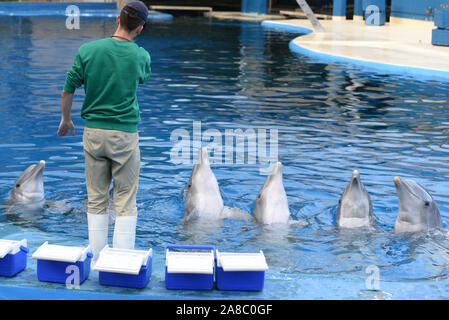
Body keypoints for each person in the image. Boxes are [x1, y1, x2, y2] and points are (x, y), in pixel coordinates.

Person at [57, 1, 151, 261]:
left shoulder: (88, 50)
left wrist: (66, 119)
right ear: (140, 28)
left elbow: (68, 88)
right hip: (124, 136)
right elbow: (142, 78)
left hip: (94, 133)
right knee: (125, 200)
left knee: (97, 198)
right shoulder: (141, 55)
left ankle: (97, 258)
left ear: (117, 19)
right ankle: (121, 261)